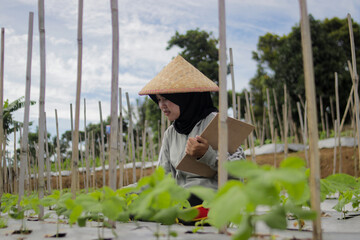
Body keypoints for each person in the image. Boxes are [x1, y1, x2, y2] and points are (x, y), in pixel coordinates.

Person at [139, 55, 245, 206]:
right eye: (158, 100)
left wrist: (207, 155)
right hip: (181, 196)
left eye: (166, 98)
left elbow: (239, 172)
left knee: (190, 199)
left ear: (185, 97)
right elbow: (163, 177)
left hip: (213, 199)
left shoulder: (218, 123)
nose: (161, 105)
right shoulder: (170, 133)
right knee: (132, 196)